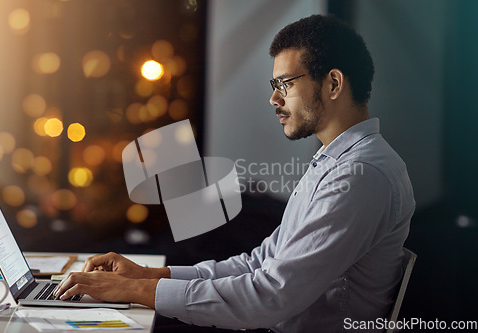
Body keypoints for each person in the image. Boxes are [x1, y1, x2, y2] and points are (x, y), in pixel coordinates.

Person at [54, 14, 415, 333]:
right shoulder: (337, 162)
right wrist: (147, 277)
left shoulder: (358, 176)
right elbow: (259, 263)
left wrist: (132, 290)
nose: (274, 100)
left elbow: (270, 295)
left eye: (285, 84)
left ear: (333, 84)